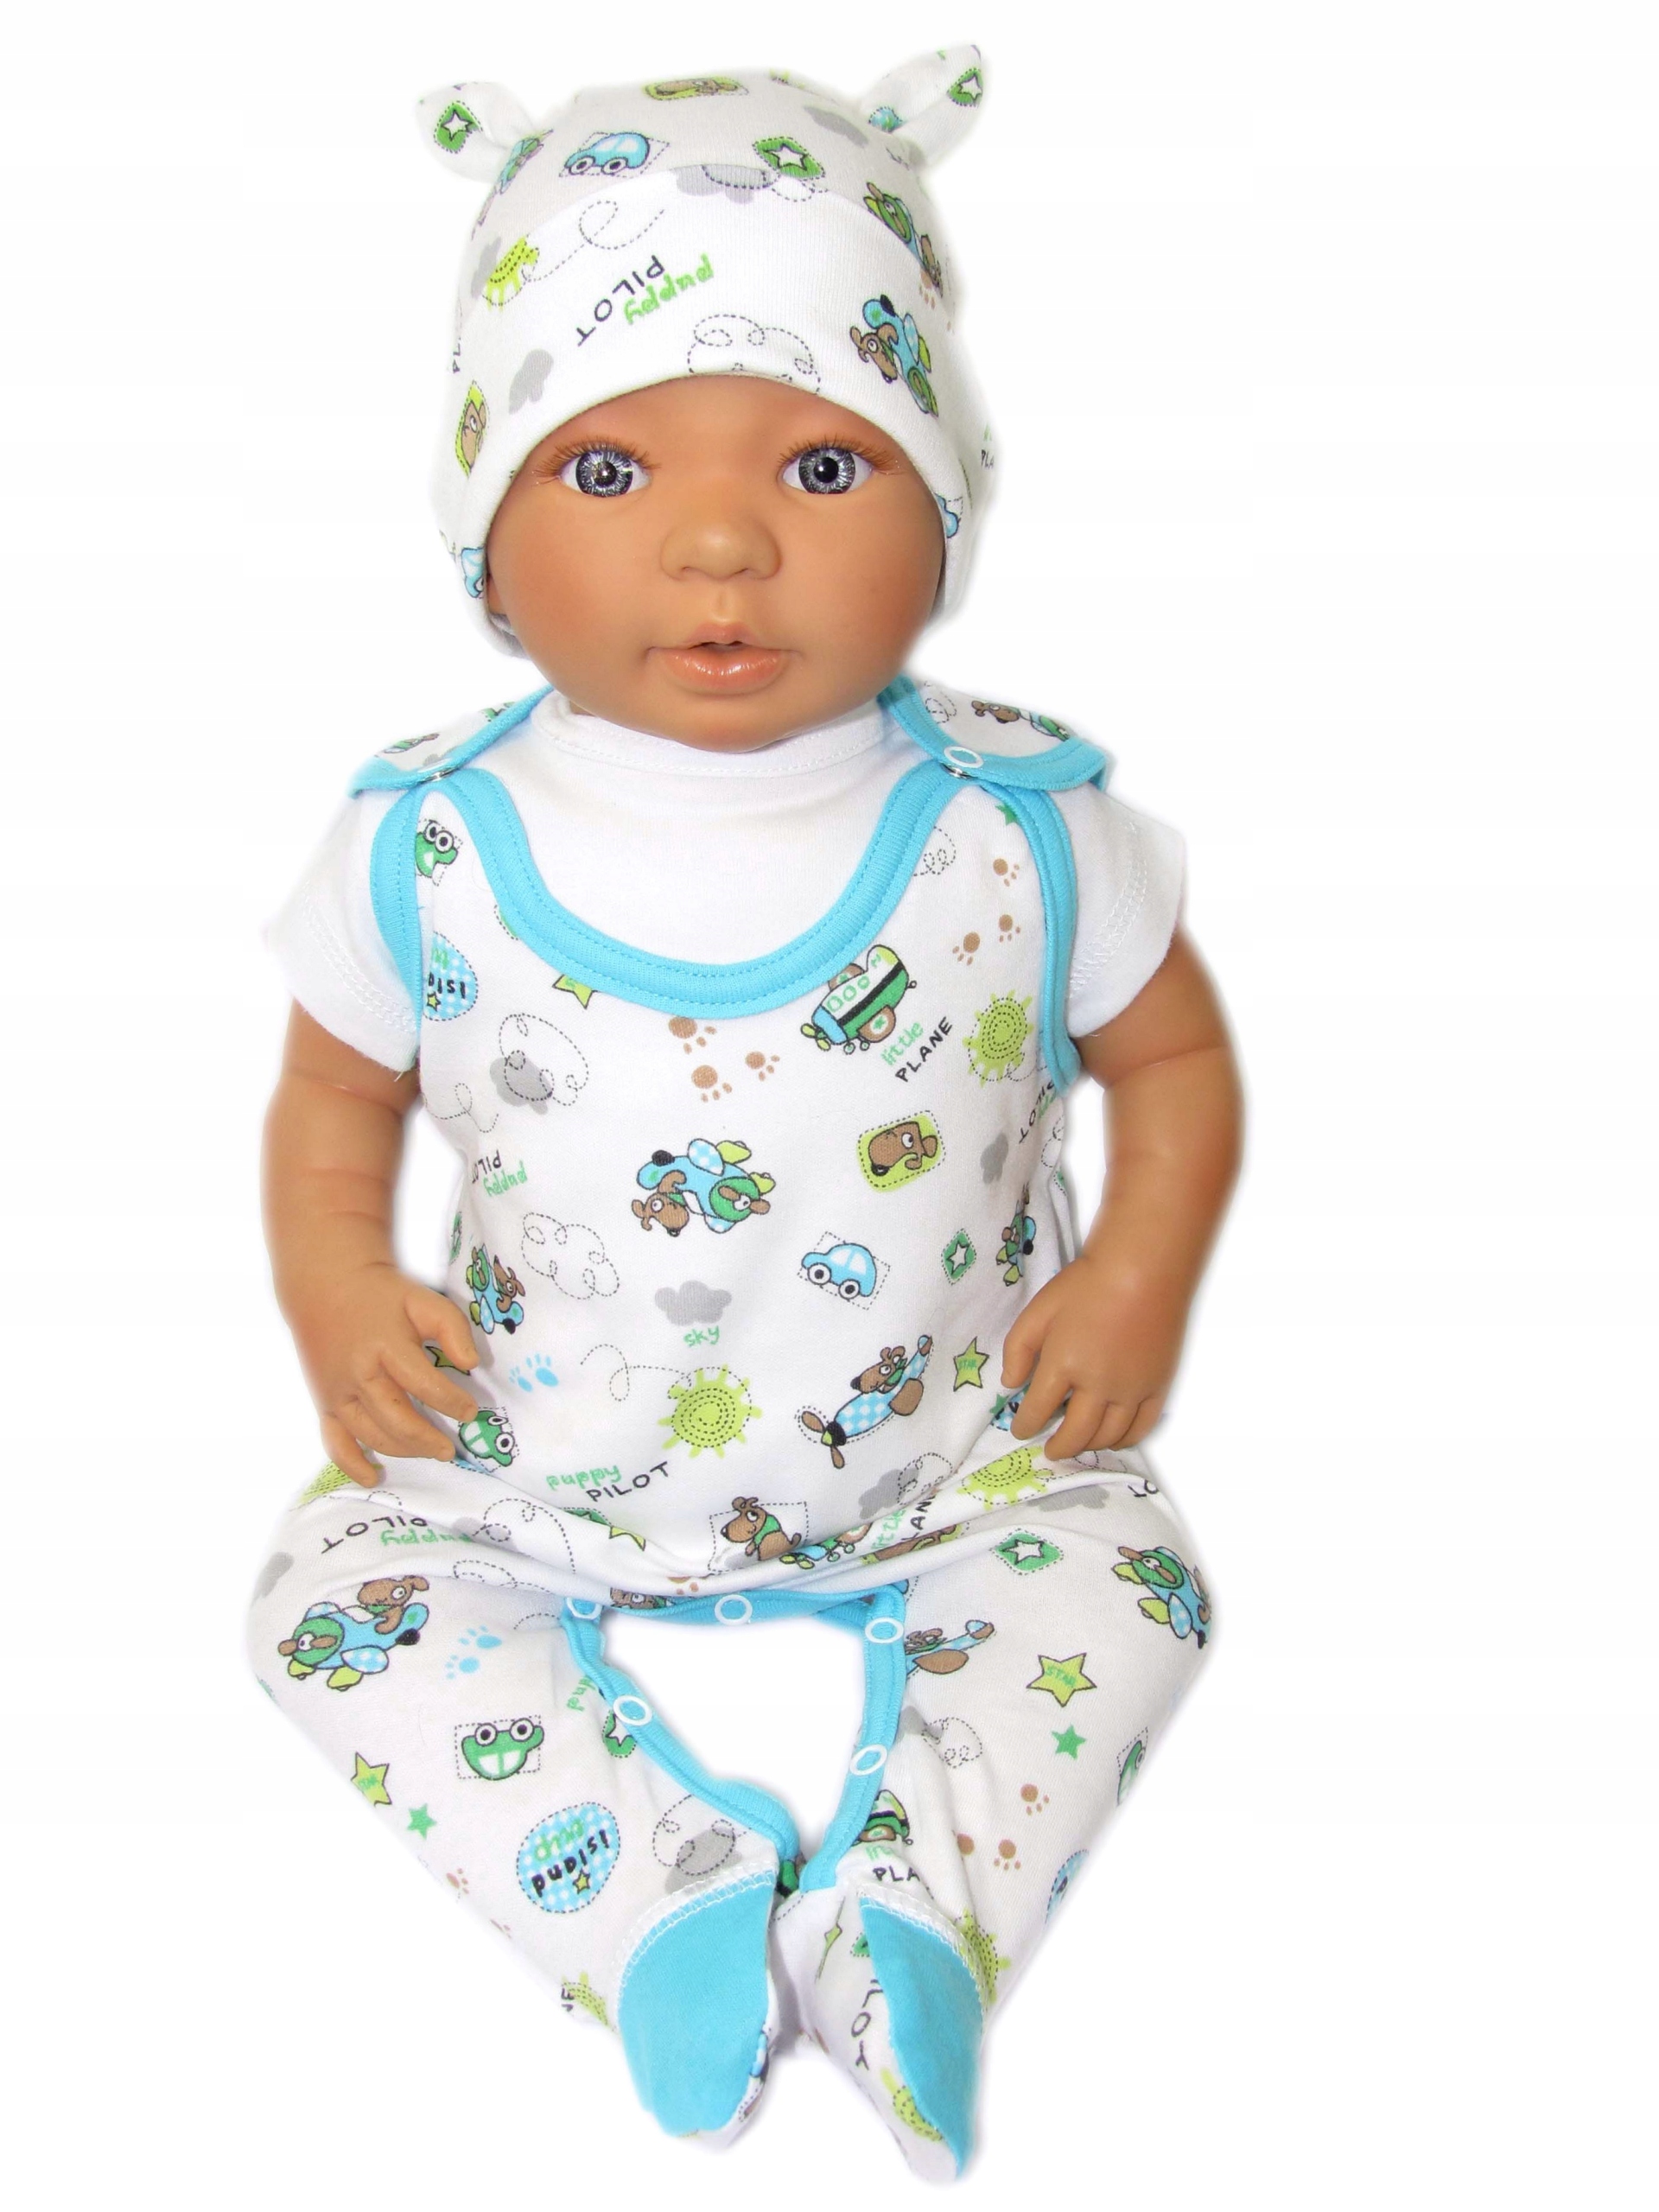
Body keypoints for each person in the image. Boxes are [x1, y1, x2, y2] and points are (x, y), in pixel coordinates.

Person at [248, 47, 1242, 2178]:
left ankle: (920, 1911)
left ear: (950, 502)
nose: (720, 539)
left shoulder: (1023, 830)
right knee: (321, 1606)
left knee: (1139, 1584)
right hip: (538, 1451)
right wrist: (338, 1283)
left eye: (824, 460)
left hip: (964, 1443)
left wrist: (1139, 1279)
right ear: (482, 532)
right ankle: (645, 1896)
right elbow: (333, 1102)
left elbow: (1173, 1063)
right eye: (608, 469)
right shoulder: (428, 843)